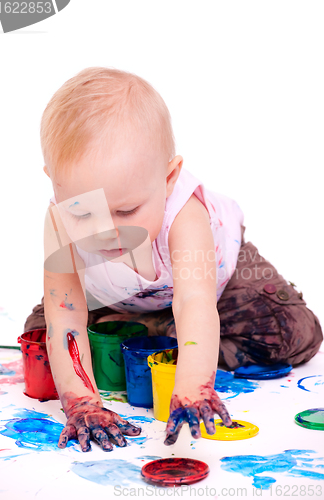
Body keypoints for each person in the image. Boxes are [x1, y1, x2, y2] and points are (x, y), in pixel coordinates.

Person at [24, 67, 323, 452]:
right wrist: (82, 404)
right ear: (54, 184)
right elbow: (65, 317)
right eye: (83, 213)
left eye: (127, 211)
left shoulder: (184, 214)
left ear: (168, 179)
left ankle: (157, 337)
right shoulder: (57, 220)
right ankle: (152, 331)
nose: (105, 232)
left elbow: (193, 301)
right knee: (40, 337)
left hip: (212, 281)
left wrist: (192, 388)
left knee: (291, 332)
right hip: (120, 296)